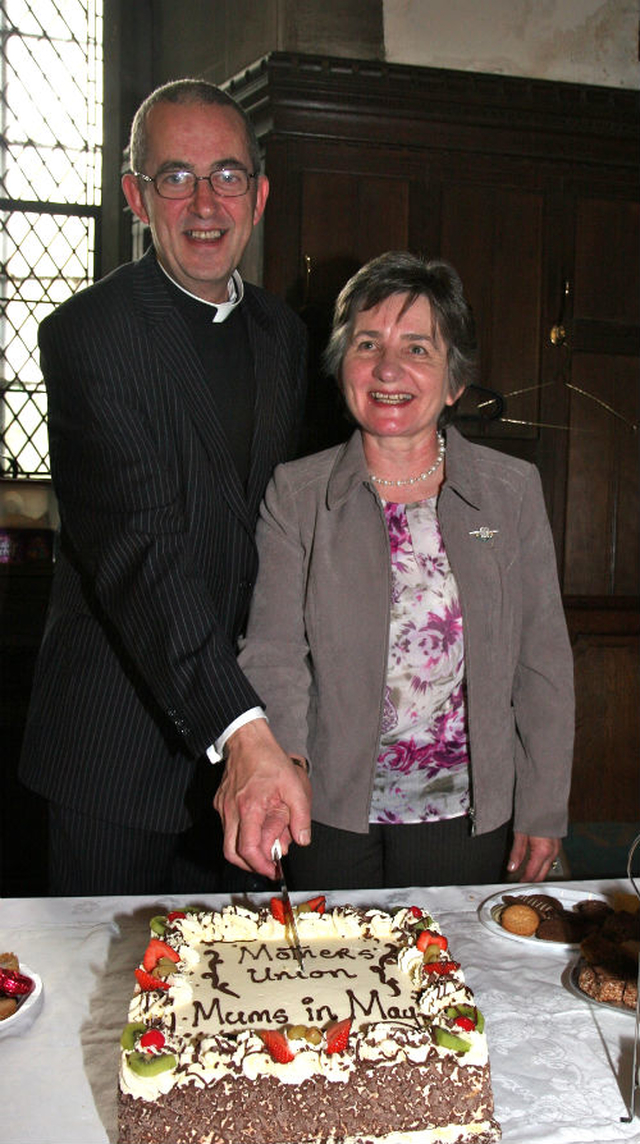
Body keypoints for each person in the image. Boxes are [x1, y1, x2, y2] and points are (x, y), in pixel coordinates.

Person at [18, 78, 311, 895]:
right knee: (109, 1005)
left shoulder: (284, 336)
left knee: (236, 1003)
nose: (204, 203)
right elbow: (139, 549)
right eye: (175, 178)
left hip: (251, 750)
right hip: (115, 747)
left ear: (258, 193)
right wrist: (240, 727)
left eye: (225, 176)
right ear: (135, 197)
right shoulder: (89, 334)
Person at [218, 250, 575, 888]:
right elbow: (274, 652)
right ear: (341, 364)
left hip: (468, 815)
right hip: (325, 810)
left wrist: (544, 806)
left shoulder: (511, 490)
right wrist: (280, 767)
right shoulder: (296, 494)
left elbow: (542, 661)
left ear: (455, 380)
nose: (388, 368)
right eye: (367, 344)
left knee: (452, 980)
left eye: (417, 348)